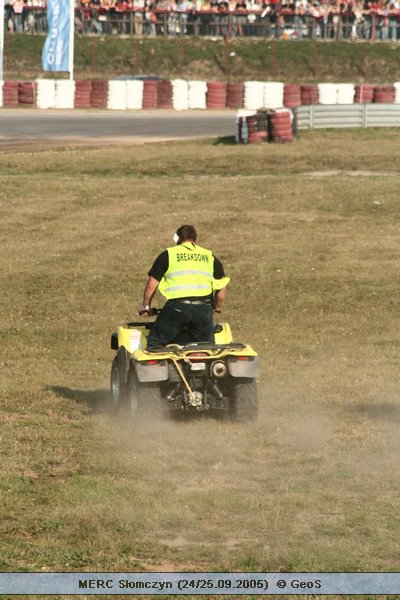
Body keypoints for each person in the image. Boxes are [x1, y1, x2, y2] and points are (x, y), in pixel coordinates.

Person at [139, 224, 230, 350]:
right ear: (195, 240)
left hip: (177, 308)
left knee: (155, 344)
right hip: (203, 309)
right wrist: (216, 308)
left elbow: (151, 286)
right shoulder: (209, 256)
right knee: (208, 349)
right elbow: (221, 288)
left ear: (177, 239)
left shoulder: (168, 255)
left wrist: (146, 306)